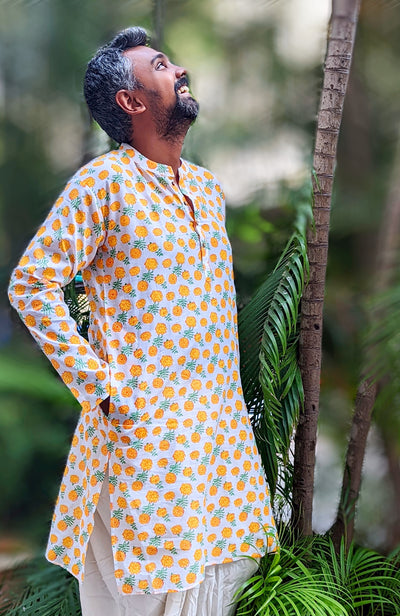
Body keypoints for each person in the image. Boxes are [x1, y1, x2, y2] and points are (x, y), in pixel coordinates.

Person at [8, 26, 278, 616]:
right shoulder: (104, 183)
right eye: (160, 66)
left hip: (218, 446)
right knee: (149, 594)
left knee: (227, 577)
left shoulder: (206, 189)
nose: (179, 70)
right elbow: (31, 284)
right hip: (145, 443)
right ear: (130, 101)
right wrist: (103, 388)